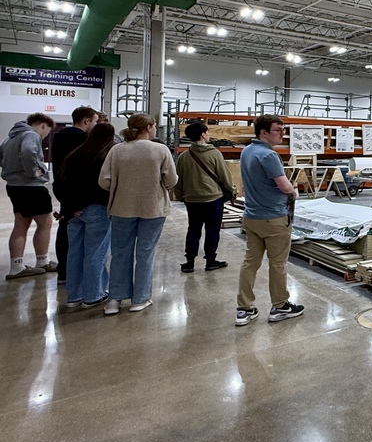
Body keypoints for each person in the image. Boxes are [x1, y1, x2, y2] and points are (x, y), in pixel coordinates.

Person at [99, 114, 177, 315]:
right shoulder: (160, 150)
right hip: (152, 208)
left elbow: (104, 181)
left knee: (120, 253)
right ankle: (140, 299)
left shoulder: (117, 150)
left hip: (121, 208)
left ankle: (114, 300)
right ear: (150, 127)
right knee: (145, 253)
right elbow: (171, 179)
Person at [235, 114, 303, 326]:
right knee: (278, 263)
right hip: (273, 218)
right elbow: (284, 185)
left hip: (252, 216)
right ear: (264, 132)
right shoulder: (268, 155)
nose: (282, 134)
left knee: (250, 263)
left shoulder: (247, 151)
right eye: (278, 130)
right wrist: (294, 192)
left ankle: (244, 309)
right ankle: (280, 306)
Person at [55, 122, 116, 310]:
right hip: (96, 210)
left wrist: (72, 207)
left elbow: (59, 183)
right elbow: (103, 187)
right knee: (95, 253)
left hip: (73, 212)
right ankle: (93, 294)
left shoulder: (74, 155)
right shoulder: (104, 157)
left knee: (75, 253)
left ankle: (73, 296)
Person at [174, 121, 236, 273]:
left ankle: (189, 262)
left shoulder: (184, 156)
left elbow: (178, 179)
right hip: (213, 199)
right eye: (207, 132)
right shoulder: (214, 153)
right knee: (212, 230)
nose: (209, 135)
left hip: (192, 200)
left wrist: (180, 195)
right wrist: (232, 190)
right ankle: (210, 261)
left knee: (193, 229)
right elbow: (225, 176)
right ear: (202, 135)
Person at [2, 113, 56, 280]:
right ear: (42, 125)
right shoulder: (31, 135)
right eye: (47, 131)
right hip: (31, 187)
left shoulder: (11, 136)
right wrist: (37, 173)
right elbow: (28, 152)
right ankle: (42, 261)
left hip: (14, 186)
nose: (46, 135)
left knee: (21, 224)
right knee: (45, 223)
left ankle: (16, 266)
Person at [51, 106, 98, 283]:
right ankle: (79, 275)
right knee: (80, 236)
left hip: (64, 192)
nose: (95, 125)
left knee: (65, 228)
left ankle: (64, 271)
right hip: (80, 196)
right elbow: (83, 172)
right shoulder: (83, 140)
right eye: (94, 121)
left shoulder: (59, 137)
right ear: (86, 121)